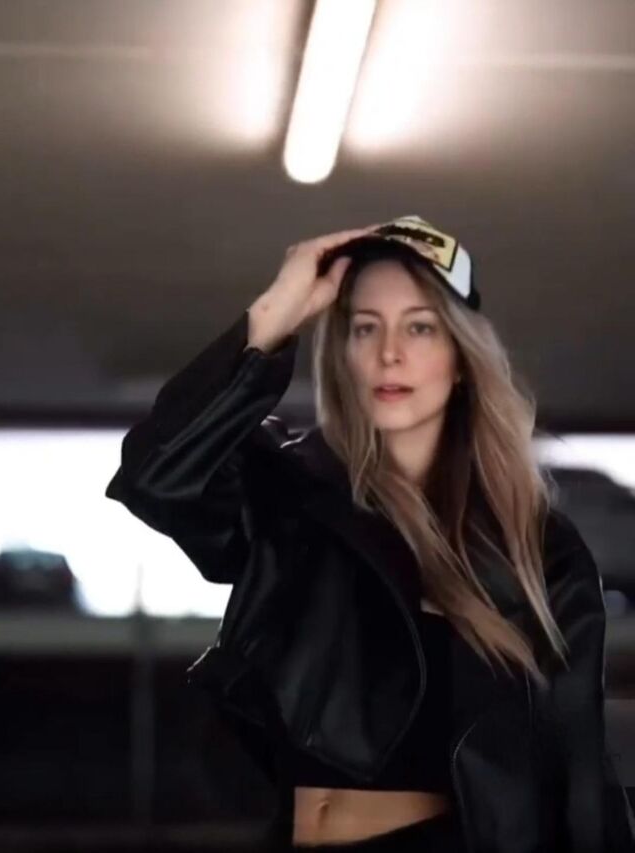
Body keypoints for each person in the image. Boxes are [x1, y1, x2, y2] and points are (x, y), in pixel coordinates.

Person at [105, 215, 635, 852]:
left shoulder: (536, 548)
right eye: (365, 328)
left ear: (461, 360)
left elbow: (580, 773)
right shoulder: (292, 495)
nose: (390, 352)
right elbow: (155, 475)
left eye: (419, 327)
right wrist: (277, 310)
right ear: (343, 356)